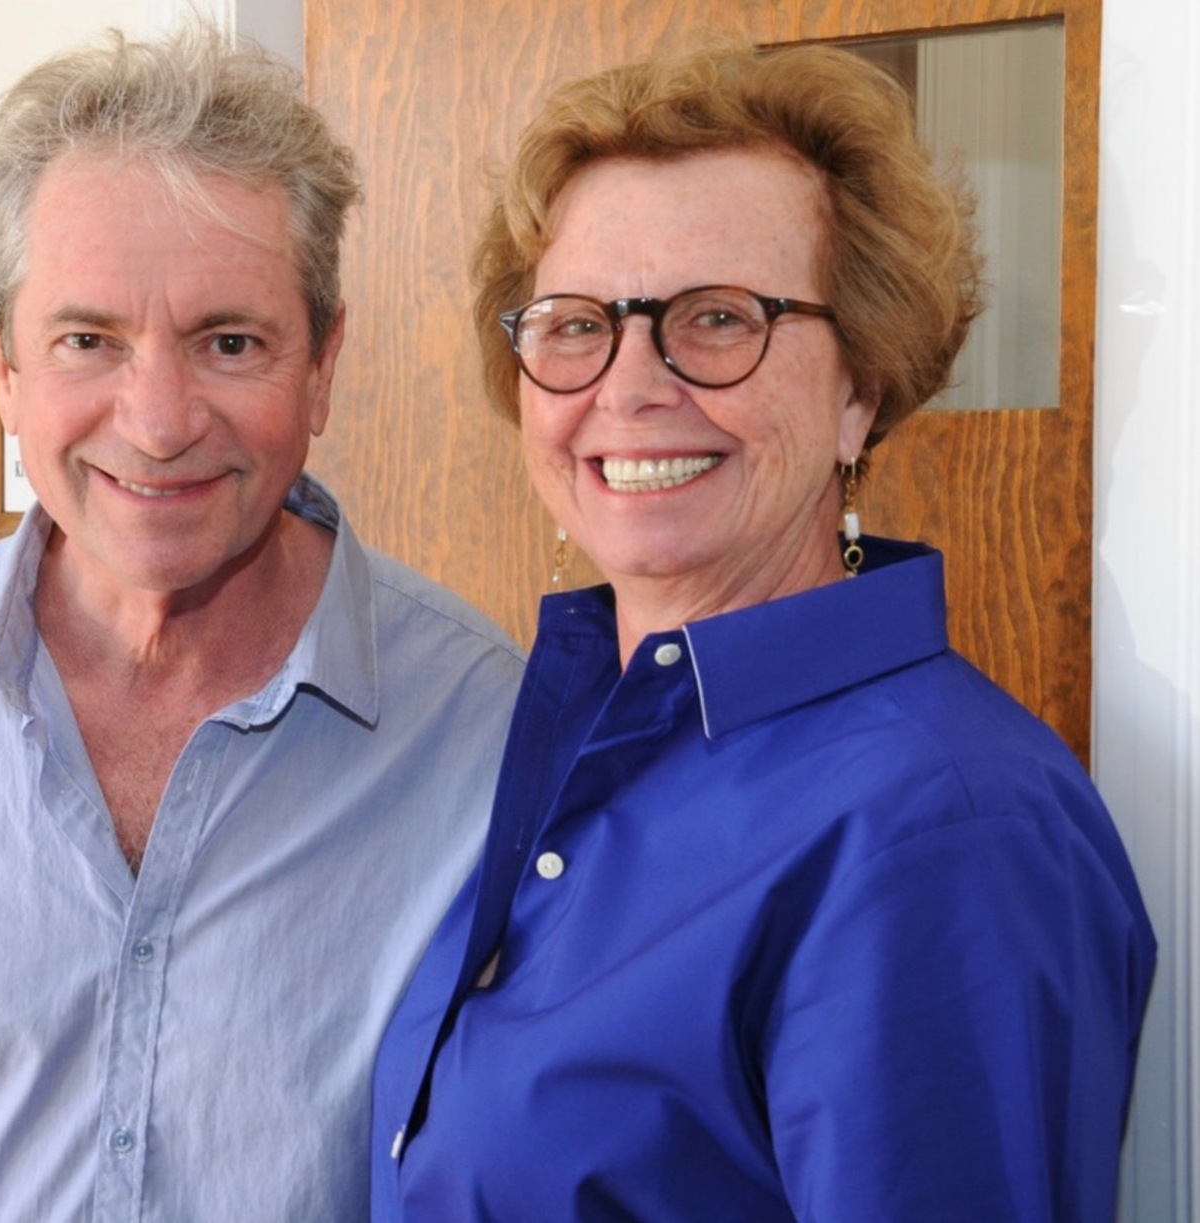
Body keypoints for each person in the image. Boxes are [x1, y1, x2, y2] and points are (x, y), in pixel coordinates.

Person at [0, 19, 524, 1220]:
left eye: (230, 341)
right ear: (6, 370)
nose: (157, 421)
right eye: (88, 339)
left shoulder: (491, 737)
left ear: (322, 365)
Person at [371, 42, 1156, 1222]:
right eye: (578, 323)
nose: (631, 384)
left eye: (719, 318)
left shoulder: (945, 825)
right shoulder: (578, 730)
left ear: (862, 386)